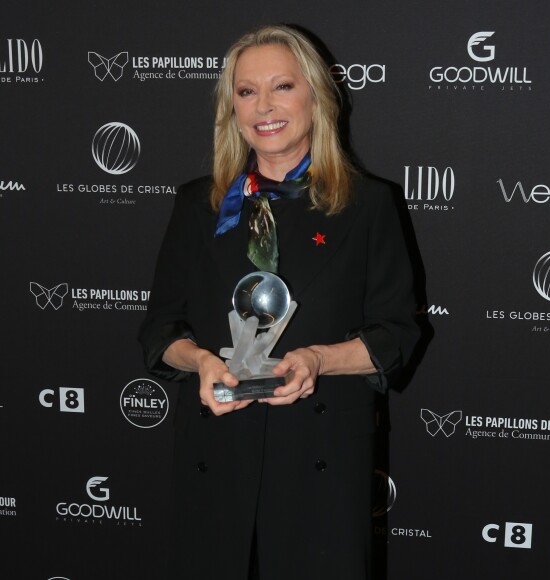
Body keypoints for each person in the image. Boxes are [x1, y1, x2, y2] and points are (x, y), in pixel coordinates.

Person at [139, 24, 419, 580]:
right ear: (231, 108)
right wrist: (198, 362)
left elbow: (397, 334)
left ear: (316, 98)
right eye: (246, 91)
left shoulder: (368, 205)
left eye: (282, 87)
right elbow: (160, 329)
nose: (263, 106)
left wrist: (318, 360)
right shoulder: (199, 204)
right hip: (217, 450)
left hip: (321, 462)